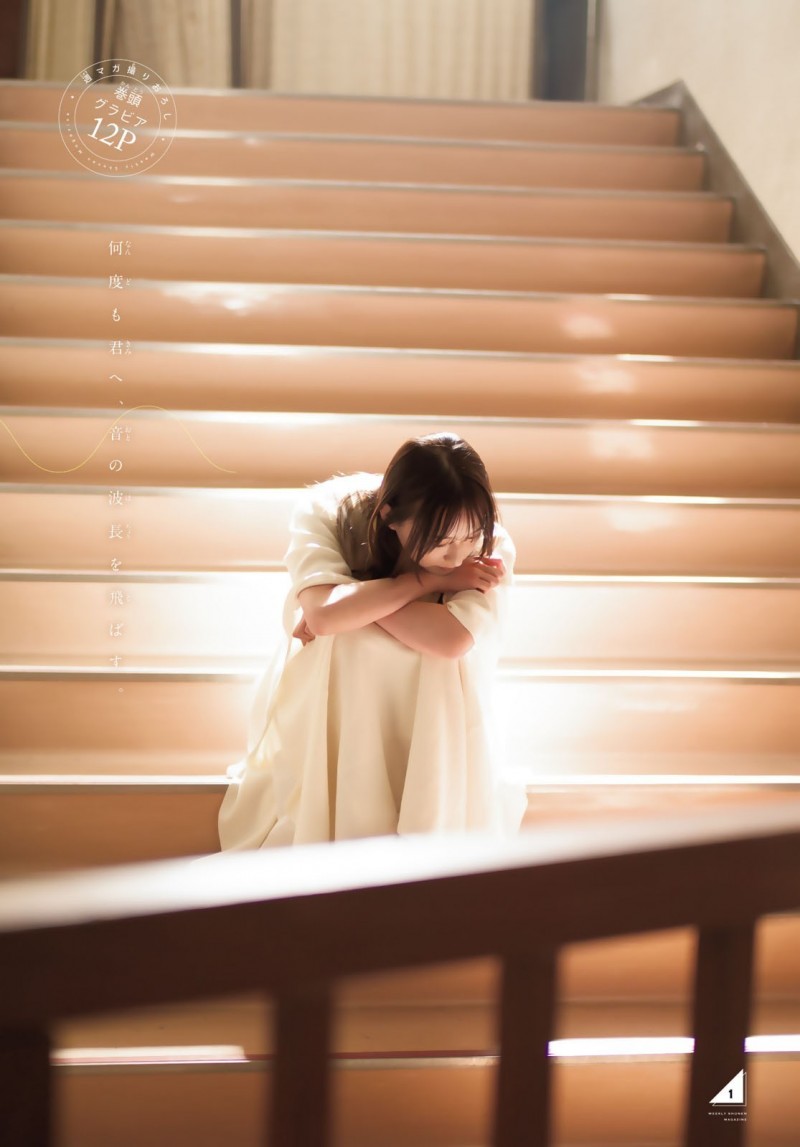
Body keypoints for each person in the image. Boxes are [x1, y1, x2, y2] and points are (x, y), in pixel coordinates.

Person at [217, 432, 528, 850]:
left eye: (469, 537)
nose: (458, 557)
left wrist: (355, 603)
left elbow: (452, 640)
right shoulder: (329, 511)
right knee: (352, 641)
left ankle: (421, 827)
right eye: (441, 542)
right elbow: (326, 616)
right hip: (339, 702)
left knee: (412, 650)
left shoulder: (490, 542)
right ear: (389, 517)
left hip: (439, 711)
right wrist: (426, 582)